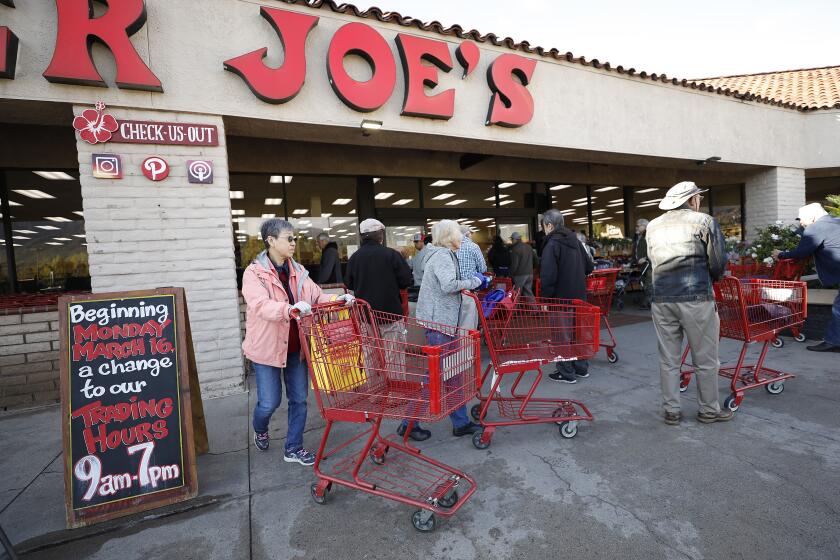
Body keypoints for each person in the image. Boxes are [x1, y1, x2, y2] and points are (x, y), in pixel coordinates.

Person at [242, 218, 354, 465]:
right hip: (267, 348)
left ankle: (293, 447)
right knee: (269, 402)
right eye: (289, 238)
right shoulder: (254, 273)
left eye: (295, 238)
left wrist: (339, 298)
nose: (294, 243)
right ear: (271, 241)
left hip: (297, 348)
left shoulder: (299, 271)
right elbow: (260, 305)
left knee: (299, 399)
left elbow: (316, 296)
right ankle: (260, 427)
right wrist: (289, 309)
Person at [646, 181, 731, 426]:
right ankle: (708, 411)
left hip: (662, 299)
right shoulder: (703, 221)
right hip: (696, 299)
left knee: (669, 359)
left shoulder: (653, 226)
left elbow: (653, 259)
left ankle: (671, 411)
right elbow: (717, 263)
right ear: (693, 200)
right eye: (698, 199)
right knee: (705, 360)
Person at [412, 219, 488, 438]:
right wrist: (475, 281)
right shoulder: (443, 256)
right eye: (457, 234)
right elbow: (448, 286)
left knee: (450, 374)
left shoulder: (443, 254)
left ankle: (460, 422)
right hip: (440, 324)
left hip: (442, 322)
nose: (461, 239)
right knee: (436, 376)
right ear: (448, 237)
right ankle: (410, 421)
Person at [773, 203, 840, 352]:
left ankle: (834, 341)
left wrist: (781, 254)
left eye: (801, 218)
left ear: (813, 216)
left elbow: (800, 252)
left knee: (838, 309)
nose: (800, 222)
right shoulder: (836, 221)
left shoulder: (817, 227)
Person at [540, 209, 594, 383]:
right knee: (577, 334)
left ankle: (566, 372)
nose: (543, 230)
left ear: (549, 225)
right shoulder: (576, 241)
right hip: (579, 297)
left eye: (544, 226)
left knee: (560, 336)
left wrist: (545, 300)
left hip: (560, 299)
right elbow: (589, 267)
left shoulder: (552, 244)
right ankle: (581, 368)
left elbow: (548, 276)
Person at [509, 231, 535, 298]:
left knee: (517, 294)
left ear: (515, 239)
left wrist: (511, 275)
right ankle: (535, 308)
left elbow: (515, 265)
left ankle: (516, 308)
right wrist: (532, 269)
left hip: (520, 275)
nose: (511, 241)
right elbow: (536, 260)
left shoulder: (515, 249)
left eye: (512, 239)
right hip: (530, 274)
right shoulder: (529, 247)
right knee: (529, 293)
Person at [633, 219, 651, 309]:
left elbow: (653, 249)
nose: (636, 227)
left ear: (644, 226)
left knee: (648, 283)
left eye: (638, 225)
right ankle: (647, 302)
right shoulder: (639, 236)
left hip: (649, 265)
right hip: (643, 265)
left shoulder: (649, 236)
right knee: (645, 283)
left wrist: (646, 258)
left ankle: (648, 303)